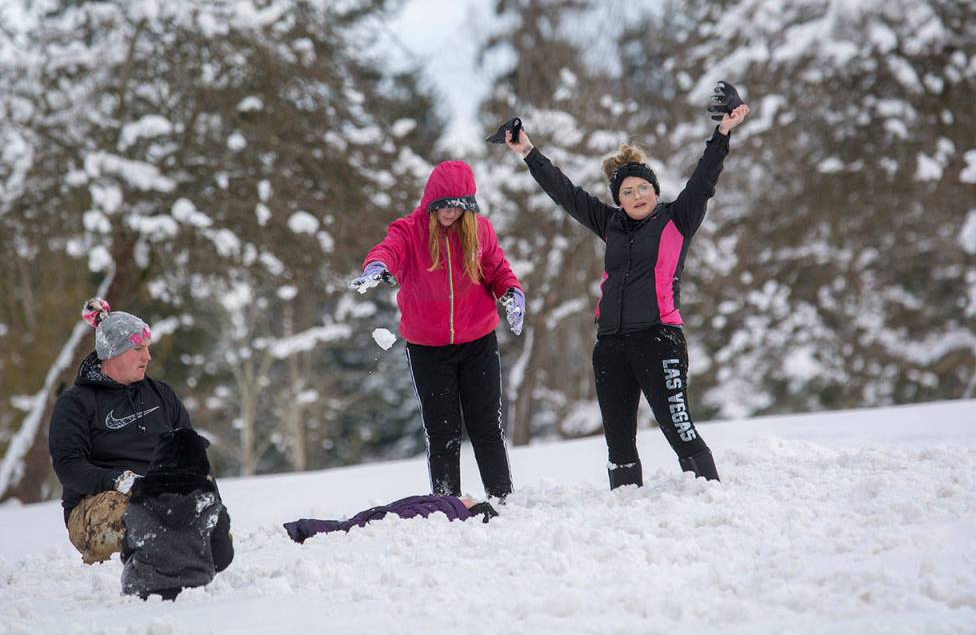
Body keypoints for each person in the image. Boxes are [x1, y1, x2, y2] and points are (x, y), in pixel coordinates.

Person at [501, 82, 751, 489]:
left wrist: (722, 133)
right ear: (618, 199)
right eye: (627, 191)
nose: (637, 196)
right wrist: (528, 151)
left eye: (643, 189)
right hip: (611, 345)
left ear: (655, 191)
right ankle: (625, 511)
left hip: (659, 339)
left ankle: (711, 495)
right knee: (618, 443)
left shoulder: (678, 218)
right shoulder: (610, 224)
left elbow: (705, 178)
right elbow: (566, 194)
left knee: (678, 427)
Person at [349, 160, 525, 500]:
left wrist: (512, 293)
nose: (450, 212)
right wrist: (376, 266)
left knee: (487, 425)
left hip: (479, 343)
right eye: (444, 204)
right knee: (442, 430)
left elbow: (498, 270)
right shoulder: (409, 230)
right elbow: (389, 250)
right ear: (431, 200)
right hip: (428, 349)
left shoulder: (480, 231)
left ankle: (503, 496)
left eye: (458, 205)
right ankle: (447, 502)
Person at [49, 298, 195, 563]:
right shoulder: (75, 403)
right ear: (113, 352)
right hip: (98, 505)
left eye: (148, 348)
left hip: (157, 499)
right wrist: (122, 481)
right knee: (128, 518)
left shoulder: (162, 395)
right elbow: (68, 466)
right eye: (138, 348)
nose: (147, 356)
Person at [120, 427, 234, 601]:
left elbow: (126, 554)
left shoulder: (137, 505)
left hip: (140, 594)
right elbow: (223, 557)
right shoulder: (210, 506)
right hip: (195, 590)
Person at [284, 494, 498, 544]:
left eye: (472, 500)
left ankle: (299, 530)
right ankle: (299, 529)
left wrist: (383, 518)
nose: (468, 496)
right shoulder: (446, 505)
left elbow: (409, 515)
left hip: (380, 518)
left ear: (472, 509)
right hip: (381, 513)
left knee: (344, 529)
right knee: (343, 527)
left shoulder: (446, 511)